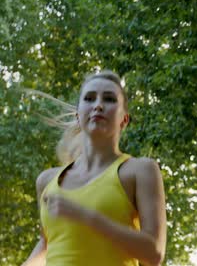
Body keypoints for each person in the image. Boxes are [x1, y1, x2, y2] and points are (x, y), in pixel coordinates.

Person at [22, 70, 167, 266]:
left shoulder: (139, 170)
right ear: (78, 115)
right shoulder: (46, 181)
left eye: (109, 99)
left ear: (124, 119)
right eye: (89, 98)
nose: (98, 105)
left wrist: (86, 216)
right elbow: (46, 244)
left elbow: (153, 254)